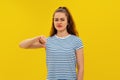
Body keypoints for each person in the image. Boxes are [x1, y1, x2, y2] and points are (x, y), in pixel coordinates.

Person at [19, 7, 84, 80]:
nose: (59, 22)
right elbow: (22, 45)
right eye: (56, 20)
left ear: (68, 22)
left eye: (62, 20)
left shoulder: (76, 41)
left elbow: (81, 68)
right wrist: (37, 38)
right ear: (53, 22)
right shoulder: (47, 41)